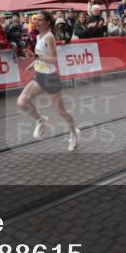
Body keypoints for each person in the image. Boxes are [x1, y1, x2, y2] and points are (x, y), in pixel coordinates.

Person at [17, 12, 80, 151]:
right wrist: (32, 64)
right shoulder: (38, 36)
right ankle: (41, 120)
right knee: (22, 102)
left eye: (40, 20)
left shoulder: (49, 37)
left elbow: (53, 60)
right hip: (39, 76)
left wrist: (36, 56)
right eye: (36, 20)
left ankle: (74, 134)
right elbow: (41, 56)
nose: (36, 22)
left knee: (61, 111)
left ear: (47, 22)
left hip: (50, 78)